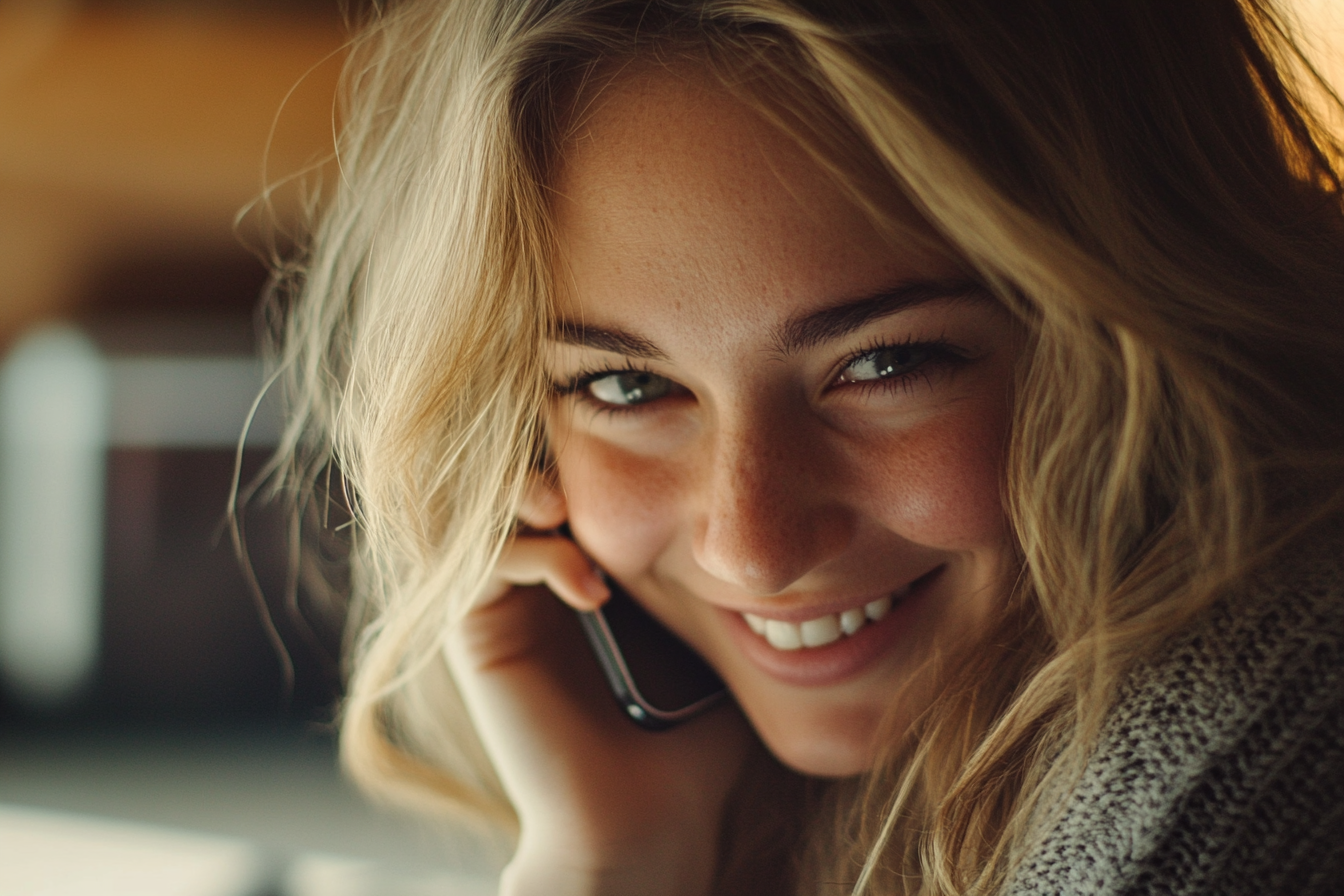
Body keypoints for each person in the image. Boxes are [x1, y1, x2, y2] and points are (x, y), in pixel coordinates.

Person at [264, 0, 1344, 893]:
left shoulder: (1247, 802)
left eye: (887, 365)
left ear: (1149, 321)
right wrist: (615, 857)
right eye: (626, 384)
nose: (753, 547)